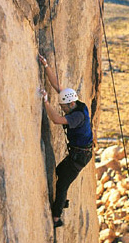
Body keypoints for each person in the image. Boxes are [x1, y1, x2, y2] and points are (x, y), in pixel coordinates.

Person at [38, 54, 93, 228]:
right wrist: (46, 65)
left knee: (61, 184)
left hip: (80, 157)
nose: (61, 108)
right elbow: (58, 86)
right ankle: (62, 202)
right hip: (79, 153)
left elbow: (56, 120)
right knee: (60, 172)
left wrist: (46, 102)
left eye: (62, 106)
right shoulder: (77, 104)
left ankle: (56, 218)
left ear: (69, 104)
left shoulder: (76, 117)